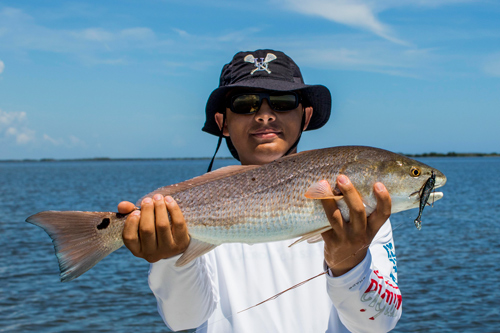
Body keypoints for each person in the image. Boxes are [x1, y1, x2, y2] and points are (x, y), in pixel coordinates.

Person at [118, 49, 401, 332]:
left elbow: (379, 324)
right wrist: (169, 257)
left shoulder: (361, 209)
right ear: (223, 124)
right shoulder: (185, 211)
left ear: (305, 117)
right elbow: (184, 320)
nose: (265, 115)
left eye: (283, 102)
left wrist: (349, 263)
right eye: (245, 104)